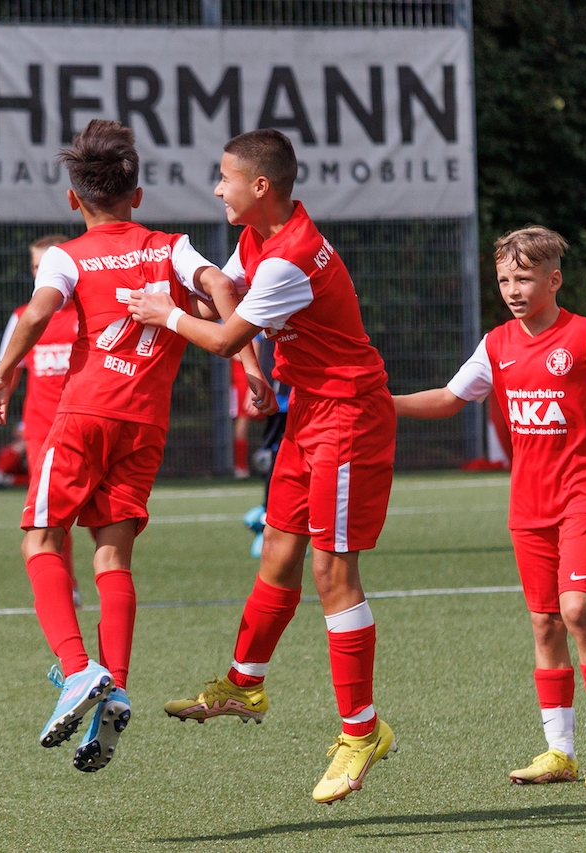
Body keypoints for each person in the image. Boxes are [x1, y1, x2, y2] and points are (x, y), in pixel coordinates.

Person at [0, 120, 273, 774]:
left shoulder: (67, 256)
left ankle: (79, 669)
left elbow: (38, 312)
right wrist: (250, 364)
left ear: (72, 199)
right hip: (144, 426)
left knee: (40, 539)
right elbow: (223, 289)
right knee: (113, 554)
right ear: (137, 196)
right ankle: (114, 683)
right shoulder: (170, 247)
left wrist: (2, 373)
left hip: (83, 415)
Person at [128, 128, 399, 804]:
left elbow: (223, 334)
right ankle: (245, 684)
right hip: (309, 410)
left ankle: (363, 731)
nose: (216, 188)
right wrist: (195, 296)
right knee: (278, 548)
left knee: (333, 574)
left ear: (260, 186)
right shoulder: (259, 238)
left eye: (224, 178)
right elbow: (223, 294)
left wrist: (166, 314)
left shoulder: (288, 259)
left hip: (348, 418)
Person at [392, 225, 586, 789]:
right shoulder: (496, 344)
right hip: (528, 506)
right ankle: (559, 751)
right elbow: (449, 398)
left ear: (553, 280)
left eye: (524, 279)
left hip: (582, 497)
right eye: (504, 280)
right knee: (544, 623)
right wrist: (381, 402)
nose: (512, 290)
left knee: (576, 610)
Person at [0, 235, 83, 601]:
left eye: (48, 266)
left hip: (86, 425)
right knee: (49, 514)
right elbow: (6, 374)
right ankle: (66, 585)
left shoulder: (90, 313)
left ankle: (111, 584)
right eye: (35, 267)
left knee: (100, 514)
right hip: (43, 429)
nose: (41, 274)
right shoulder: (23, 317)